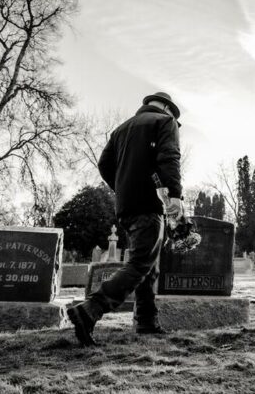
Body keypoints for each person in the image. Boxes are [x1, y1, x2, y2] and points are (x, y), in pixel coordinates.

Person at [67, 91, 184, 346]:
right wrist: (175, 196)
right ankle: (90, 310)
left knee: (148, 266)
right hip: (149, 205)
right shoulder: (164, 122)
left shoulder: (120, 130)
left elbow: (104, 165)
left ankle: (146, 321)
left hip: (126, 206)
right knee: (141, 263)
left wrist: (122, 188)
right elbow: (169, 158)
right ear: (166, 107)